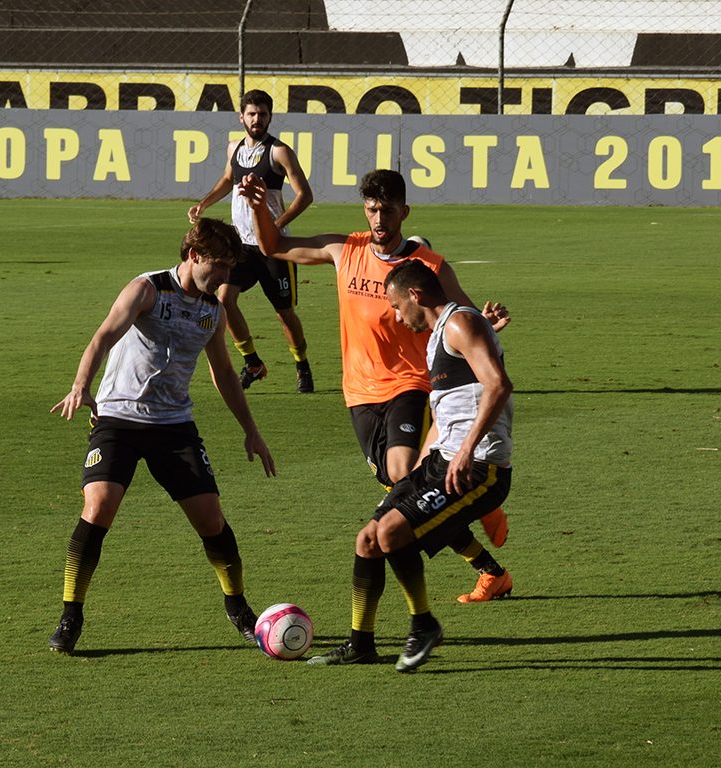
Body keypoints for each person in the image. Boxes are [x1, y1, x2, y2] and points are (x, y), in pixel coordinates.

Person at [241, 168, 513, 603]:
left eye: (387, 210)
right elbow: (273, 246)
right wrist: (259, 208)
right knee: (396, 487)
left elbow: (460, 317)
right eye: (371, 210)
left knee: (404, 474)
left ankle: (478, 505)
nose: (379, 219)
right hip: (358, 392)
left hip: (410, 385)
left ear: (404, 212)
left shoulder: (430, 266)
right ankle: (489, 565)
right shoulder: (344, 250)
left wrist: (485, 324)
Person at [47, 218, 276, 655]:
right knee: (98, 508)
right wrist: (80, 385)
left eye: (231, 267)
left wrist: (252, 430)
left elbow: (224, 373)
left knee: (211, 520)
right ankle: (71, 615)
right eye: (219, 265)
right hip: (118, 419)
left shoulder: (213, 310)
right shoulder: (147, 289)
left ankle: (238, 607)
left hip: (173, 426)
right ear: (193, 255)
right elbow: (103, 336)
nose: (225, 276)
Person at [308, 259, 514, 671]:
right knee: (368, 539)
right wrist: (421, 467)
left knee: (391, 532)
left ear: (416, 295)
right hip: (441, 459)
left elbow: (498, 385)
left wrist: (465, 450)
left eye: (398, 307)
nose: (398, 317)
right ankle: (361, 644)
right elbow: (444, 414)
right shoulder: (440, 335)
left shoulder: (459, 323)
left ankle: (424, 625)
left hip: (479, 465)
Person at [188, 89, 315, 393]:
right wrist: (204, 203)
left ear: (270, 117)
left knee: (284, 313)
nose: (257, 119)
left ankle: (302, 366)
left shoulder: (279, 151)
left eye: (263, 114)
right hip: (240, 247)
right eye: (252, 114)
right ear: (241, 117)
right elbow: (227, 180)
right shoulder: (234, 148)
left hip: (273, 249)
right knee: (224, 300)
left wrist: (275, 226)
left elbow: (305, 195)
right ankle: (252, 363)